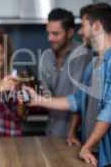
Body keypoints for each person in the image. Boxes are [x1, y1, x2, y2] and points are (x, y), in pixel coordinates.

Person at [20, 3, 111, 167]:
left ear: (97, 26)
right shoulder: (93, 64)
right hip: (94, 152)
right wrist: (38, 99)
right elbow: (76, 101)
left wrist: (87, 145)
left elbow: (110, 110)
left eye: (83, 26)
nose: (80, 32)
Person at [39, 8, 91, 143]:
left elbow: (77, 100)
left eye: (55, 34)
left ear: (70, 33)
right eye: (48, 33)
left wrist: (71, 133)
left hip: (74, 136)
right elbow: (45, 93)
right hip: (51, 131)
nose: (50, 38)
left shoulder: (81, 55)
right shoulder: (46, 56)